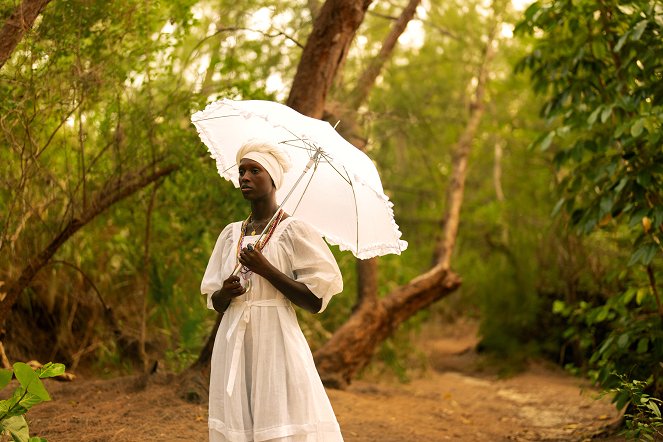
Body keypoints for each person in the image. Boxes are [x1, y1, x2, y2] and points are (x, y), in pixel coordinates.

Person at [201, 140, 344, 442]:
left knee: (279, 417)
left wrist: (266, 269)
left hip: (276, 336)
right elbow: (215, 301)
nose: (245, 177)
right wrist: (226, 292)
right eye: (242, 171)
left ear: (273, 179)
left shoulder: (294, 231)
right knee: (238, 417)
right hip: (234, 338)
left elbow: (314, 301)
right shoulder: (231, 233)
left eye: (255, 170)